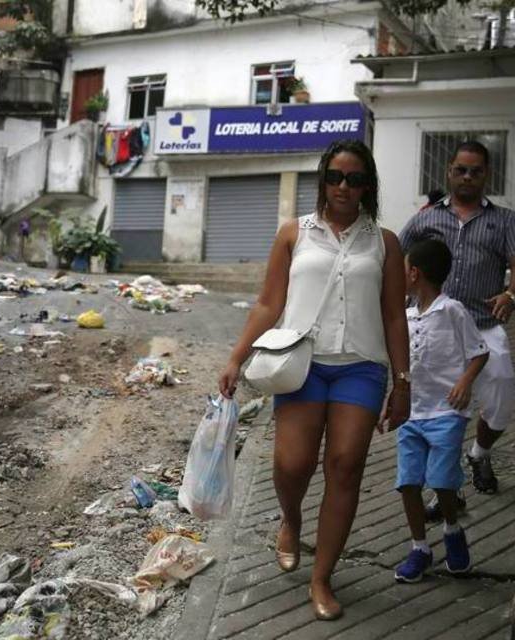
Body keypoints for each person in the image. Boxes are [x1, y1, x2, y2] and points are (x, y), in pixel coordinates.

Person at [218, 139, 410, 621]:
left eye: (356, 179)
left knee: (345, 466)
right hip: (300, 363)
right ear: (323, 178)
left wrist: (402, 380)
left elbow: (393, 317)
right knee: (292, 465)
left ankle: (321, 578)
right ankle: (291, 516)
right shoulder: (293, 233)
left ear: (368, 186)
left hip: (362, 366)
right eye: (336, 177)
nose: (344, 187)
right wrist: (236, 359)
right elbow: (268, 303)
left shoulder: (383, 241)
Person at [399, 141, 515, 495]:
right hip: (435, 327)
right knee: (436, 407)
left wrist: (511, 295)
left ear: (486, 176)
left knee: (502, 399)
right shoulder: (426, 217)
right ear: (449, 172)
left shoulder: (505, 220)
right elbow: (397, 258)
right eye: (460, 170)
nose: (467, 177)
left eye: (475, 171)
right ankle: (442, 492)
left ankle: (479, 453)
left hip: (483, 323)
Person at [393, 239, 488, 583]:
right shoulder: (403, 317)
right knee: (407, 482)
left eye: (402, 270)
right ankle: (420, 547)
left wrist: (465, 381)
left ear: (414, 274)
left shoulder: (453, 310)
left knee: (442, 480)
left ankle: (452, 529)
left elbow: (479, 351)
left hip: (447, 413)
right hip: (411, 416)